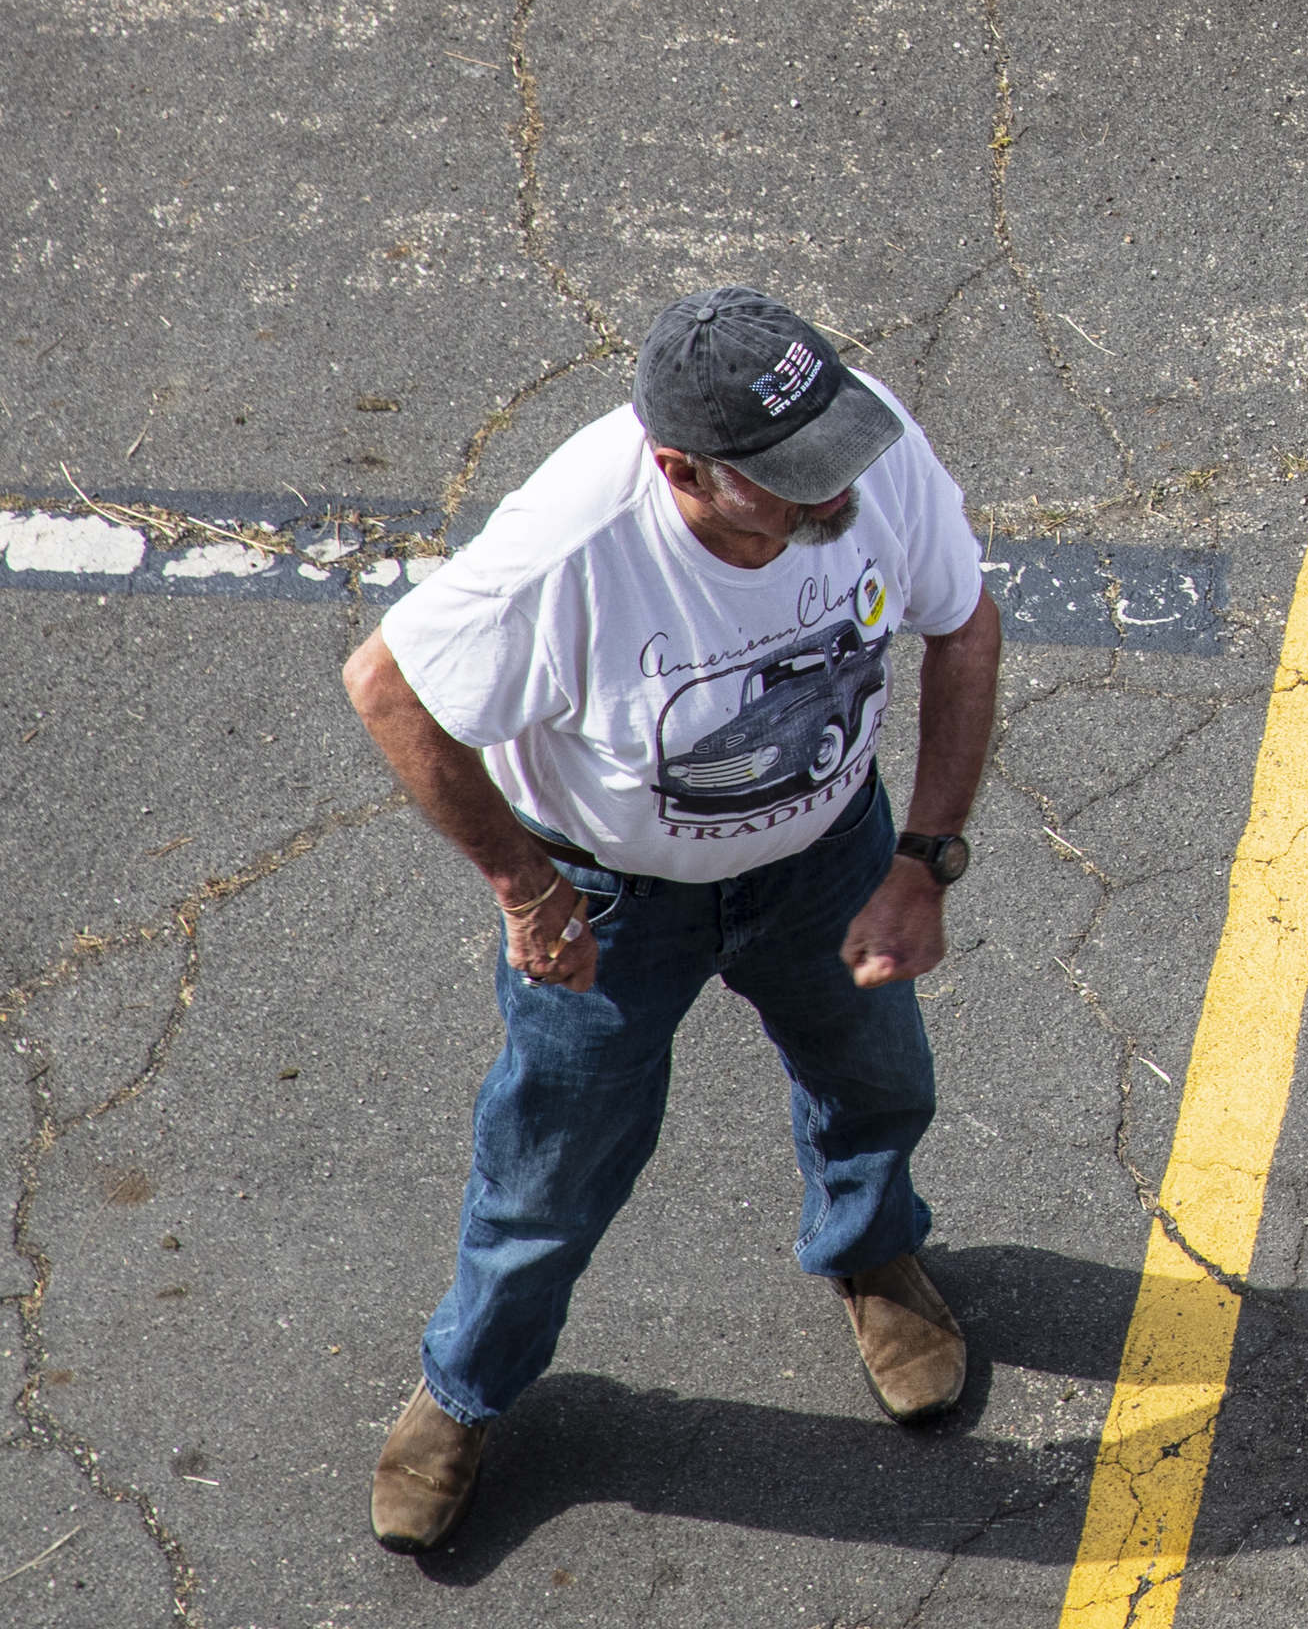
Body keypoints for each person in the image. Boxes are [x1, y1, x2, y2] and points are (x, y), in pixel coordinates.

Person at [340, 290, 1005, 1552]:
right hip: (609, 904)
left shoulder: (866, 453)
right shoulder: (575, 545)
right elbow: (388, 688)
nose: (834, 495)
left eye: (834, 452)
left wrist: (922, 858)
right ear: (678, 468)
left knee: (876, 1079)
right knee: (553, 1166)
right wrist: (527, 890)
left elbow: (961, 625)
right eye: (791, 481)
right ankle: (469, 1389)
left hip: (828, 861)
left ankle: (871, 1254)